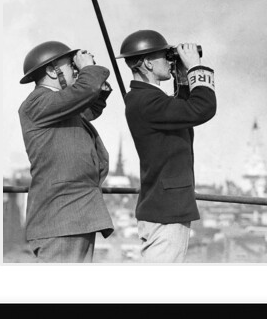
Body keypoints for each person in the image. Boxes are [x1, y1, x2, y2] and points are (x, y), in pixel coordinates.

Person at [118, 30, 217, 263]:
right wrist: (195, 68)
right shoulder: (147, 101)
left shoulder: (145, 98)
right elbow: (202, 108)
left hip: (164, 207)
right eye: (165, 56)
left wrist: (182, 79)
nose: (170, 61)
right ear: (148, 64)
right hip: (166, 212)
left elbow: (182, 114)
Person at [18, 41, 115, 263]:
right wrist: (89, 71)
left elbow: (89, 107)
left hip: (76, 215)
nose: (75, 69)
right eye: (70, 65)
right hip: (61, 218)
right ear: (52, 71)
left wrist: (90, 75)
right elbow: (84, 93)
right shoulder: (37, 102)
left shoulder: (58, 107)